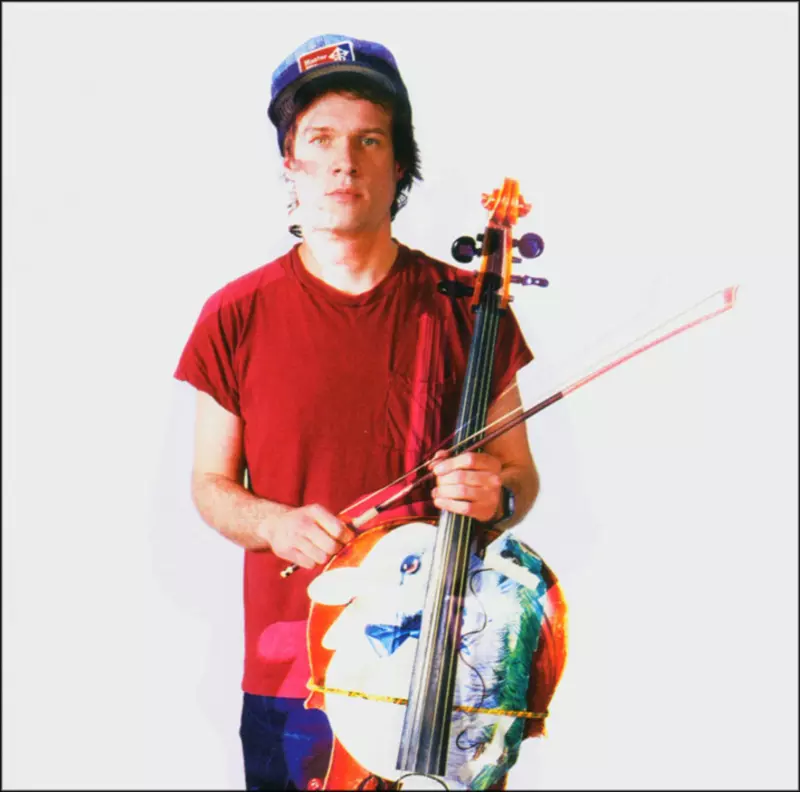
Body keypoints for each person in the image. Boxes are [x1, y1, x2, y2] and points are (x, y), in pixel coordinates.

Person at [174, 33, 539, 791]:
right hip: (294, 672)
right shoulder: (235, 314)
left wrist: (494, 495)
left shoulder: (470, 309)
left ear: (399, 164)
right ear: (290, 160)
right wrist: (273, 522)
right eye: (322, 139)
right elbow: (211, 484)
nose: (346, 161)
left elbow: (518, 479)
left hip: (446, 668)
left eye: (370, 140)